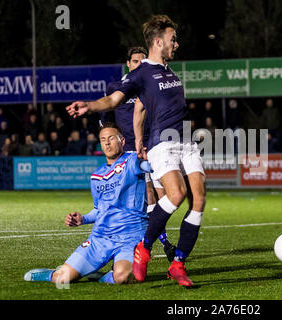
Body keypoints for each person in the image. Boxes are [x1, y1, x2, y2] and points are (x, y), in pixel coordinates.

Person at [66, 15, 206, 287]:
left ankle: (178, 264)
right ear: (158, 41)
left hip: (185, 140)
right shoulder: (140, 72)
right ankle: (144, 247)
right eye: (172, 39)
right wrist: (90, 106)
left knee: (198, 200)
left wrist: (138, 138)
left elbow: (141, 108)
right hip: (162, 142)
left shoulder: (169, 71)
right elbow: (114, 99)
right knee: (177, 194)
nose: (176, 44)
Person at [24, 123, 152, 285]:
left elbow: (151, 166)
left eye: (111, 138)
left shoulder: (132, 161)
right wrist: (83, 219)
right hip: (100, 238)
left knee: (124, 277)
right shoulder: (96, 176)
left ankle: (103, 276)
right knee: (61, 278)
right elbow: (100, 210)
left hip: (130, 238)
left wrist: (151, 159)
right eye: (103, 139)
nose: (107, 143)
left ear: (122, 141)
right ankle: (51, 274)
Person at [101, 46, 177, 261]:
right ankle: (159, 244)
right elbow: (106, 119)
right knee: (145, 197)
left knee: (168, 198)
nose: (139, 65)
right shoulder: (116, 88)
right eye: (135, 61)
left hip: (152, 149)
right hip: (129, 153)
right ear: (128, 64)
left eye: (142, 62)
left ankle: (149, 241)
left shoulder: (150, 88)